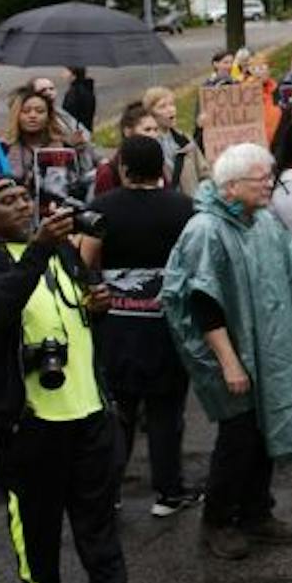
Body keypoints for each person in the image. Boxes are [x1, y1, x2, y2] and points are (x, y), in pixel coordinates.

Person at [0, 177, 164, 583]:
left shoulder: (62, 253)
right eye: (6, 202)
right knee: (36, 520)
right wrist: (36, 250)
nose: (20, 205)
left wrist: (98, 306)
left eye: (22, 198)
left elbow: (78, 310)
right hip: (30, 419)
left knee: (98, 516)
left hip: (88, 408)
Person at [161, 142, 292, 561]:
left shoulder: (261, 221)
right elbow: (201, 302)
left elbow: (289, 268)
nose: (269, 184)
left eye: (270, 175)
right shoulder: (205, 231)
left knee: (266, 431)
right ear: (229, 187)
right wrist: (229, 362)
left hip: (268, 348)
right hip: (229, 355)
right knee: (238, 438)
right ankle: (217, 521)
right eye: (260, 178)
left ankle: (256, 512)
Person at [82, 135, 201, 517]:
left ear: (124, 169)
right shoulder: (186, 208)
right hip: (168, 324)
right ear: (161, 169)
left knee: (120, 411)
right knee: (167, 411)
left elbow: (84, 260)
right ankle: (169, 492)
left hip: (116, 324)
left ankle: (109, 490)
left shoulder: (100, 208)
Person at [5, 85, 95, 204]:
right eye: (26, 111)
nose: (33, 116)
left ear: (49, 116)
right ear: (17, 115)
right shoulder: (4, 148)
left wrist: (81, 150)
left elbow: (85, 177)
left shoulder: (65, 146)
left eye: (40, 111)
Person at [143, 85, 211, 195]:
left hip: (191, 204)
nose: (170, 109)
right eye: (162, 107)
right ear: (151, 114)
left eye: (172, 104)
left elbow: (204, 172)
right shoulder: (146, 146)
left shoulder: (185, 140)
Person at [60, 67, 97, 134]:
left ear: (74, 74)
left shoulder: (76, 92)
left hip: (77, 133)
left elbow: (69, 115)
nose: (62, 74)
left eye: (66, 71)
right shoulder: (86, 89)